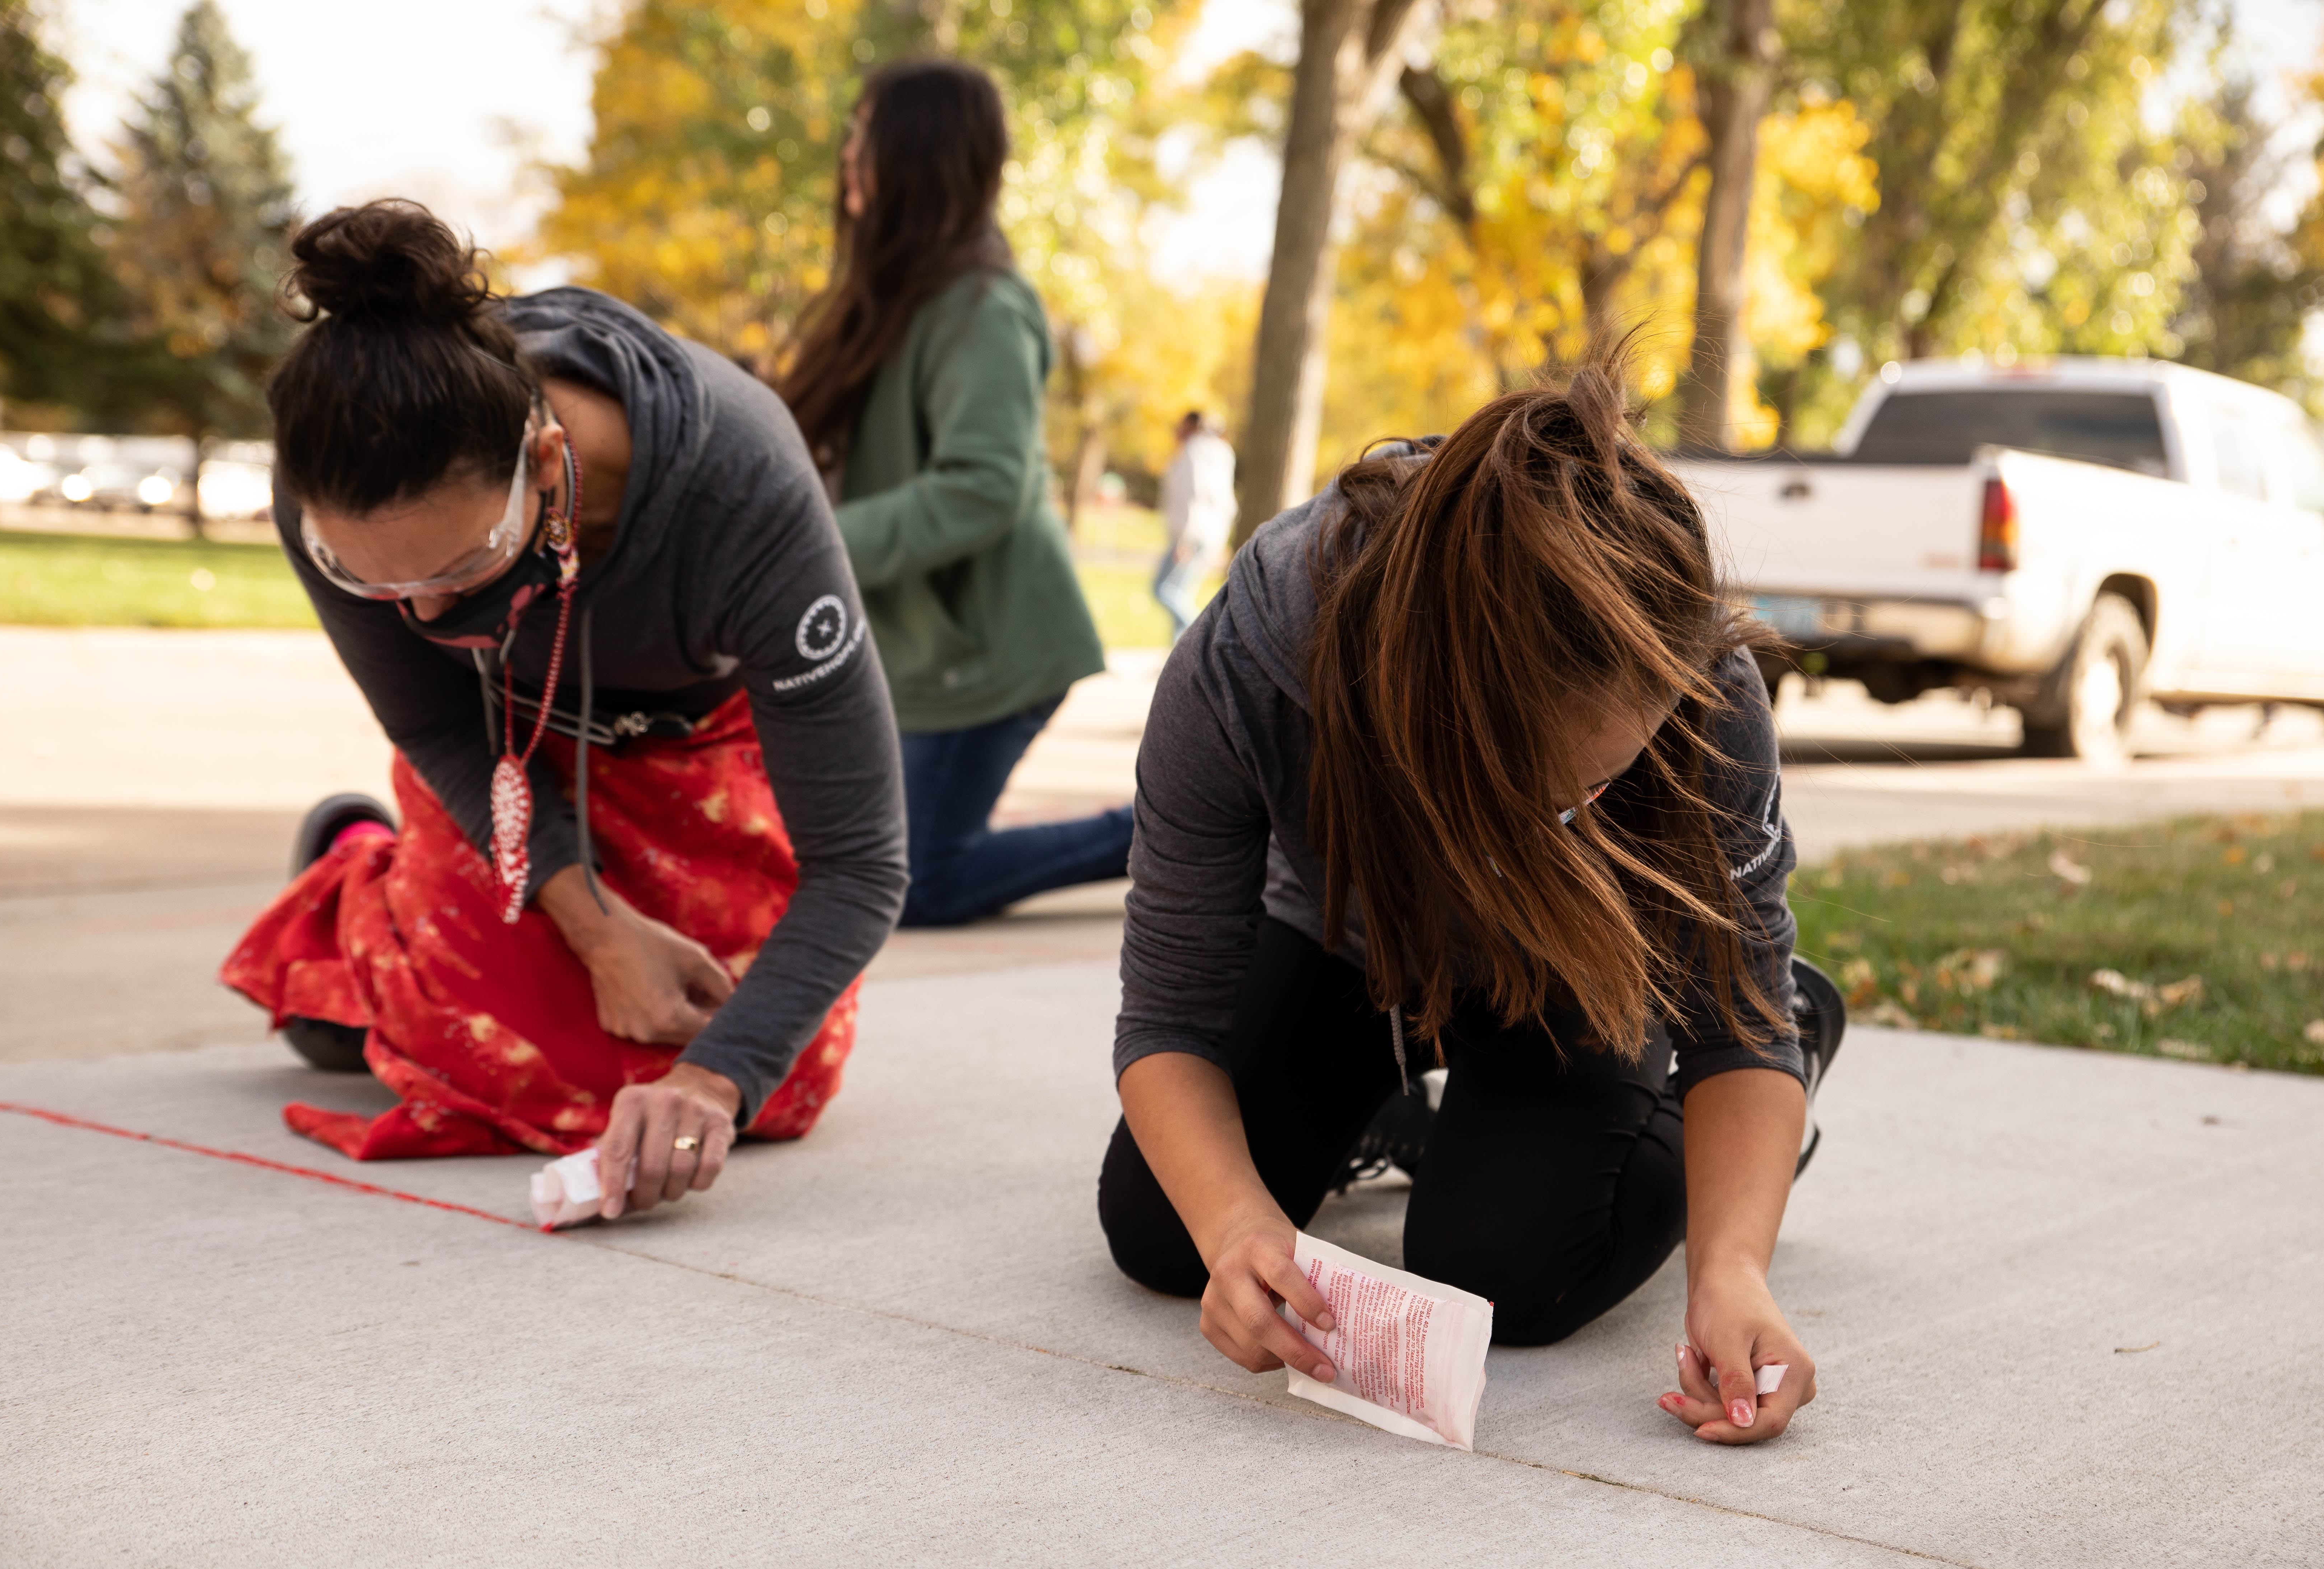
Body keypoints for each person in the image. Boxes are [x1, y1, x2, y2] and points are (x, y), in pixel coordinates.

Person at [1097, 357, 1846, 1445]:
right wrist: (1235, 1226)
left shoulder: (1702, 690)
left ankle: (1758, 1070)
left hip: (1575, 964)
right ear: (1435, 705)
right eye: (1543, 787)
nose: (1571, 808)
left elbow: (1739, 1022)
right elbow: (1165, 1018)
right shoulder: (1248, 666)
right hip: (1345, 938)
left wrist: (1731, 1267)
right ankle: (1394, 1107)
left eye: (1600, 782)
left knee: (1507, 1269)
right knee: (1162, 1232)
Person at [220, 200, 908, 1219]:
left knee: (771, 1079)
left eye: (460, 567)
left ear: (545, 466)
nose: (419, 613)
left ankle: (397, 926)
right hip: (510, 757)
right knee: (501, 1053)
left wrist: (713, 1080)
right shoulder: (329, 492)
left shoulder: (745, 486)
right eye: (373, 584)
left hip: (698, 756)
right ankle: (358, 878)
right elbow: (439, 723)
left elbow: (862, 862)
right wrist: (594, 930)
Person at [777, 59, 1133, 929]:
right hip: (919, 649)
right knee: (853, 856)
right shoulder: (890, 299)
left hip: (990, 650)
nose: (848, 152)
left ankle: (1174, 833)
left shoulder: (984, 306)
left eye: (866, 131)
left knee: (914, 880)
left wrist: (814, 545)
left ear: (917, 154)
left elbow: (986, 485)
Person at [1153, 411, 1237, 641]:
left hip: (1191, 534)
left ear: (1191, 426)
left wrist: (1185, 540)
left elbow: (1193, 495)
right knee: (1181, 592)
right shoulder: (1224, 453)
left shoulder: (1194, 452)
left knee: (1164, 589)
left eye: (1181, 425)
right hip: (1213, 533)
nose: (1177, 430)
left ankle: (1203, 640)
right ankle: (1178, 657)